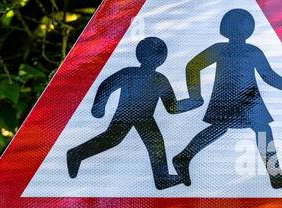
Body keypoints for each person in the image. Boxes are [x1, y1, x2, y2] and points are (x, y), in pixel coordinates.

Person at [173, 8, 282, 189]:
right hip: (233, 99)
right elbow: (193, 66)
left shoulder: (242, 51)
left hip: (246, 100)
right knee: (250, 129)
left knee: (234, 128)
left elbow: (268, 75)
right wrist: (195, 96)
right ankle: (183, 157)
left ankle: (183, 157)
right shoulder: (233, 50)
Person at [65, 37, 199, 189]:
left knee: (154, 143)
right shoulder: (141, 75)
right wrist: (98, 107)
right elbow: (107, 85)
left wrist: (191, 103)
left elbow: (172, 106)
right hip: (127, 114)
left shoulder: (155, 78)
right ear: (163, 58)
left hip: (142, 117)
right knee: (114, 139)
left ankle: (162, 178)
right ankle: (75, 154)